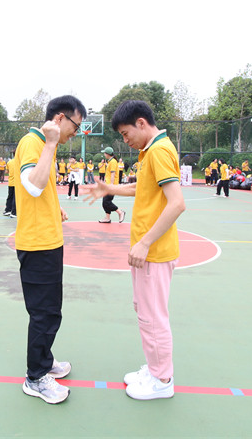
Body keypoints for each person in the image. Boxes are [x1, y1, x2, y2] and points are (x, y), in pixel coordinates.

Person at [85, 100, 185, 400]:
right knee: (145, 311)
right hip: (147, 251)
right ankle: (155, 369)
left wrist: (145, 242)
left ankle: (162, 380)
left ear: (141, 123)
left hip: (153, 251)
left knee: (152, 317)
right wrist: (109, 189)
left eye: (126, 134)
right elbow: (143, 187)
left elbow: (177, 203)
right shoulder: (151, 151)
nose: (125, 141)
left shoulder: (159, 150)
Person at [13, 94, 85, 404]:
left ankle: (44, 359)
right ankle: (36, 377)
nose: (75, 133)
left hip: (49, 240)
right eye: (75, 126)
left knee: (51, 310)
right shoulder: (34, 143)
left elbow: (42, 192)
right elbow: (32, 185)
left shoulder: (44, 146)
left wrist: (55, 208)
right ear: (59, 119)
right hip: (37, 243)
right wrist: (51, 143)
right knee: (43, 313)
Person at [98, 147, 126, 223]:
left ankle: (120, 212)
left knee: (106, 202)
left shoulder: (113, 162)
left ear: (107, 154)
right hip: (108, 185)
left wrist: (111, 185)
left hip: (111, 185)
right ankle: (107, 218)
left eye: (105, 153)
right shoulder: (110, 161)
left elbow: (113, 174)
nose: (104, 154)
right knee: (105, 202)